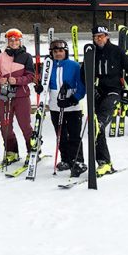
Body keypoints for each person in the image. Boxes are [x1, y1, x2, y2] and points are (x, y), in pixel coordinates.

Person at [89, 25, 128, 175]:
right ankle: (104, 162)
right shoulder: (91, 52)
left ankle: (99, 124)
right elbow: (84, 72)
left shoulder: (116, 51)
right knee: (97, 129)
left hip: (114, 90)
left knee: (99, 122)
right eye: (96, 36)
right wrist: (89, 87)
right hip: (97, 92)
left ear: (107, 36)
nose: (99, 39)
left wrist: (126, 90)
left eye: (101, 36)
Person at [0, 28, 37, 164]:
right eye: (11, 40)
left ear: (20, 41)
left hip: (21, 95)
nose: (13, 43)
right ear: (7, 42)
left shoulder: (26, 56)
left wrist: (17, 81)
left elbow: (31, 76)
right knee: (5, 125)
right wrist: (0, 80)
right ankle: (11, 151)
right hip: (5, 95)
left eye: (16, 40)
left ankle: (32, 150)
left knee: (25, 125)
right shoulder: (1, 56)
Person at [47, 39, 87, 177]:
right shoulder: (48, 66)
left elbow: (82, 86)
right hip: (55, 106)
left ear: (66, 52)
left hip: (72, 106)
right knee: (60, 134)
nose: (58, 54)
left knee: (74, 135)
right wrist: (39, 87)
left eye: (61, 51)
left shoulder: (74, 66)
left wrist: (73, 99)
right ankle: (65, 159)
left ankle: (78, 160)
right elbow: (44, 83)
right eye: (55, 51)